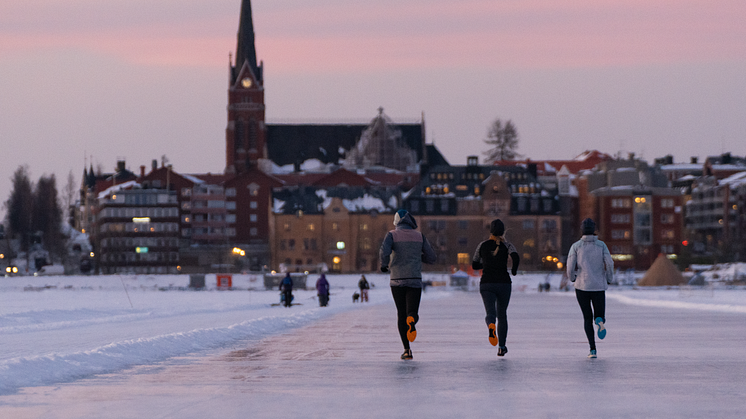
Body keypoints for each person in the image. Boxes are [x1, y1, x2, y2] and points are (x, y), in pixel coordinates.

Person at [380, 209, 437, 360]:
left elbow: (384, 251)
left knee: (401, 313)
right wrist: (418, 258)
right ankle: (412, 319)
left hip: (397, 280)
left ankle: (407, 350)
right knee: (412, 312)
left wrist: (384, 264)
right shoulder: (420, 236)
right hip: (414, 279)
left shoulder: (391, 235)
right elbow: (431, 257)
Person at [566, 218, 614, 358]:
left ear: (582, 230)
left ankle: (592, 349)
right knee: (599, 315)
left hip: (582, 286)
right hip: (598, 286)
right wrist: (609, 279)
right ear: (594, 230)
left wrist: (573, 278)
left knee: (587, 318)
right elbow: (609, 263)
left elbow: (570, 266)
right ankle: (599, 320)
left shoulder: (576, 246)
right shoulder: (601, 245)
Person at [472, 219, 519, 357]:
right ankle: (501, 347)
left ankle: (490, 325)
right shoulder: (508, 245)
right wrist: (514, 271)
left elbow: (475, 265)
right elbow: (516, 258)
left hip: (487, 284)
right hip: (504, 283)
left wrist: (487, 265)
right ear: (503, 231)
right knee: (502, 315)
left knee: (490, 313)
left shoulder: (482, 245)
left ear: (491, 231)